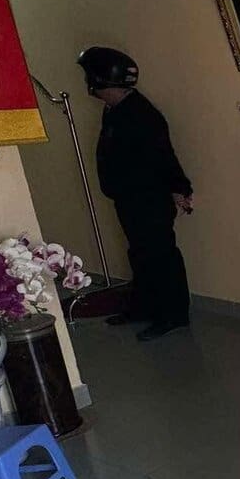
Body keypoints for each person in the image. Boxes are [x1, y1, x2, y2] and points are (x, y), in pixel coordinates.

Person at [77, 46, 193, 340]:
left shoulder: (142, 115)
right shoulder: (115, 110)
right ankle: (144, 306)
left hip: (149, 199)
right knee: (139, 254)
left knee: (160, 255)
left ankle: (173, 315)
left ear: (102, 80)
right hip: (128, 197)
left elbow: (164, 155)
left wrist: (180, 188)